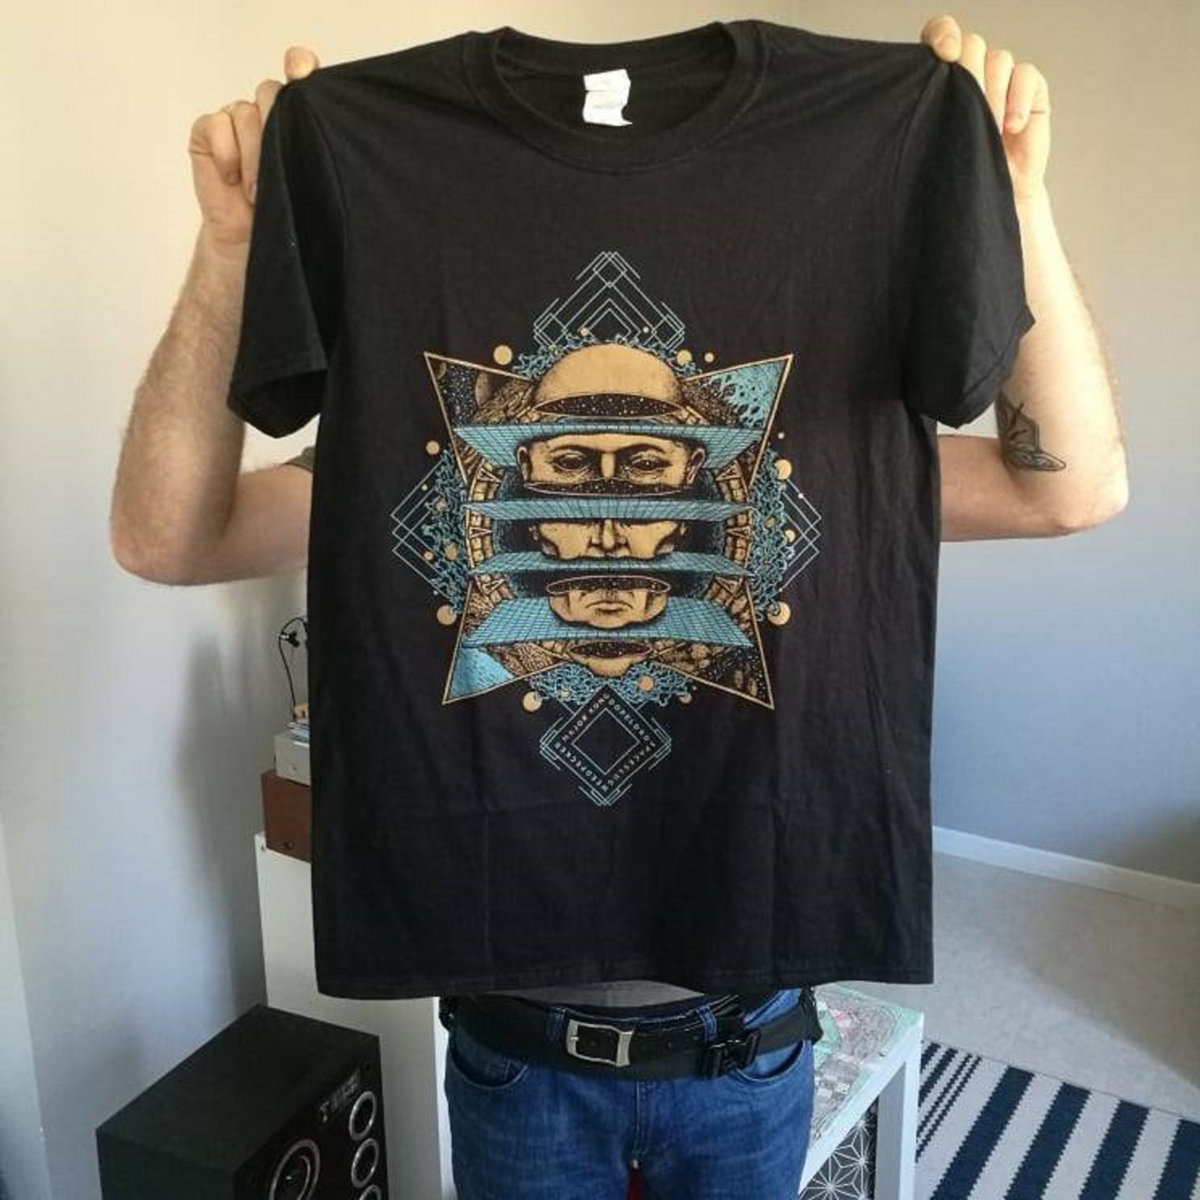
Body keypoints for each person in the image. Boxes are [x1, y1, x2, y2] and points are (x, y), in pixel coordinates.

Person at [109, 14, 1126, 1199]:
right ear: (501, 480)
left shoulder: (822, 459)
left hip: (749, 1039)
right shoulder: (401, 470)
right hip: (513, 1047)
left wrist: (1015, 207)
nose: (605, 522)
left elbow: (1074, 489)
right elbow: (164, 539)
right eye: (565, 469)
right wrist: (232, 250)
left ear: (718, 482)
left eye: (648, 471)